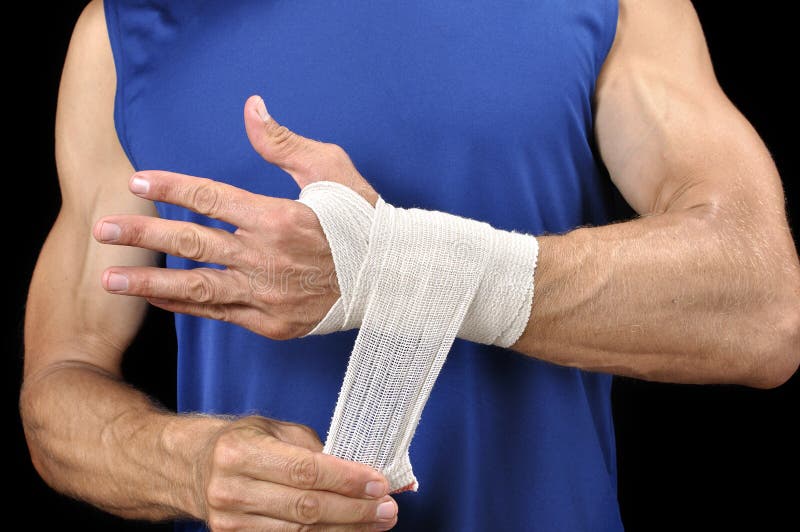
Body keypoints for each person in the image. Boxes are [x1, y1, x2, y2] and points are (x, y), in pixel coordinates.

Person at [21, 0, 799, 530]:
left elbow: (760, 303)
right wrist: (181, 465)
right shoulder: (124, 32)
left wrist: (389, 267)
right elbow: (59, 380)